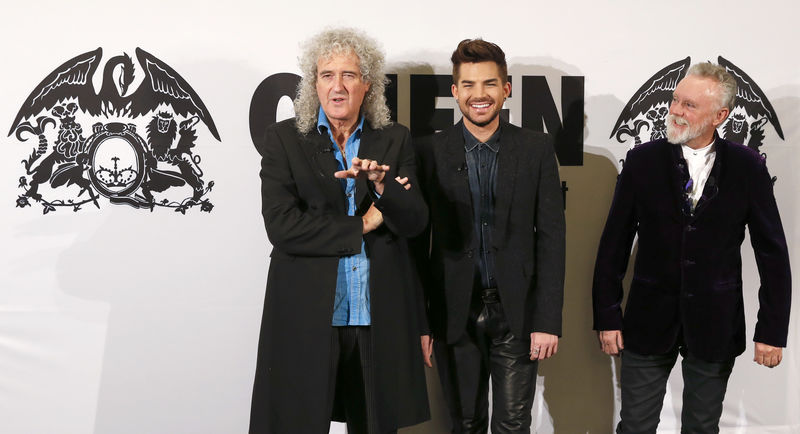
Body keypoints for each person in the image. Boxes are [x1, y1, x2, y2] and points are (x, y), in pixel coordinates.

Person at [593, 62, 791, 433]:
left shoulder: (748, 167)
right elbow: (614, 243)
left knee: (702, 426)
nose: (676, 111)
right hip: (648, 320)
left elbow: (773, 253)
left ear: (720, 115)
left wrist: (771, 330)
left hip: (715, 323)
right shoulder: (643, 161)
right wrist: (607, 314)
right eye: (675, 101)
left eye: (690, 105)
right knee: (635, 425)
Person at [249, 28, 430, 434]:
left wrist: (383, 187)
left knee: (376, 425)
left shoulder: (394, 139)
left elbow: (415, 221)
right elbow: (281, 226)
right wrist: (363, 222)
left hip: (377, 317)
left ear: (367, 84)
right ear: (314, 83)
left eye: (349, 75)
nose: (337, 86)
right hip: (307, 314)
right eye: (327, 74)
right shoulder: (284, 139)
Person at [411, 38, 566, 433]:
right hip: (452, 313)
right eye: (468, 85)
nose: (479, 95)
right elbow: (416, 244)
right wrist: (421, 322)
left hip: (516, 312)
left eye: (490, 84)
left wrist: (547, 320)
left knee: (514, 425)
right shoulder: (429, 151)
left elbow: (551, 239)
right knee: (465, 423)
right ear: (455, 92)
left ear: (507, 88)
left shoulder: (535, 148)